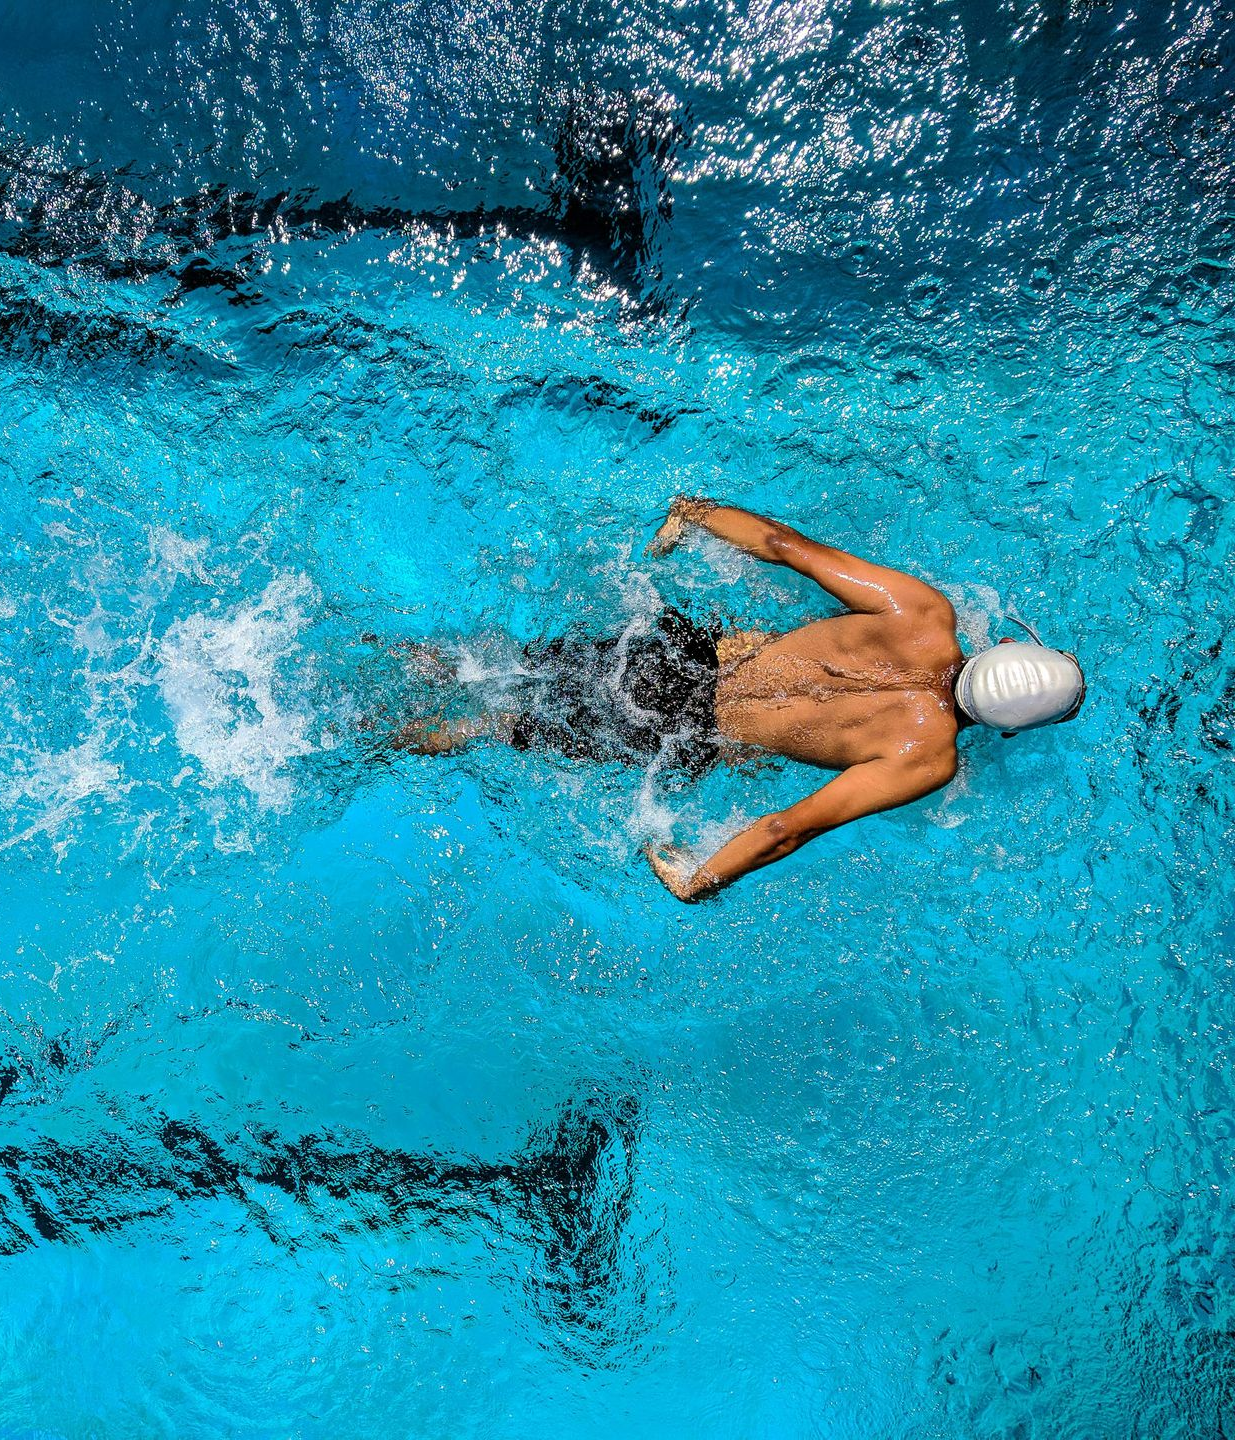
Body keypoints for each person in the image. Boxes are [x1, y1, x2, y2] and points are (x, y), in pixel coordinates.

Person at [390, 497, 1086, 901]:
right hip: (682, 732)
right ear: (1008, 729)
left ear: (1003, 645)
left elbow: (784, 545)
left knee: (491, 666)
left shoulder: (922, 613)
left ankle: (393, 654)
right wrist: (700, 879)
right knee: (497, 727)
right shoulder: (926, 759)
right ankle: (380, 738)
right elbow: (787, 828)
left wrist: (695, 514)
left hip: (674, 655)